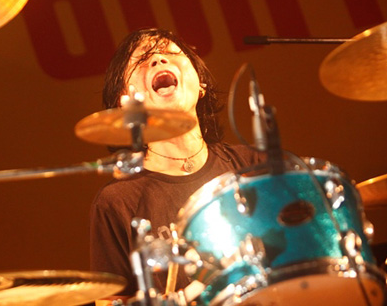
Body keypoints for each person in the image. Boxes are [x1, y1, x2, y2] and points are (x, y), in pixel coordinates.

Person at [89, 28, 263, 305]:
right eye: (142, 60)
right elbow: (110, 301)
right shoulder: (118, 201)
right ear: (125, 103)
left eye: (170, 53)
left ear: (201, 84)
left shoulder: (254, 166)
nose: (159, 60)